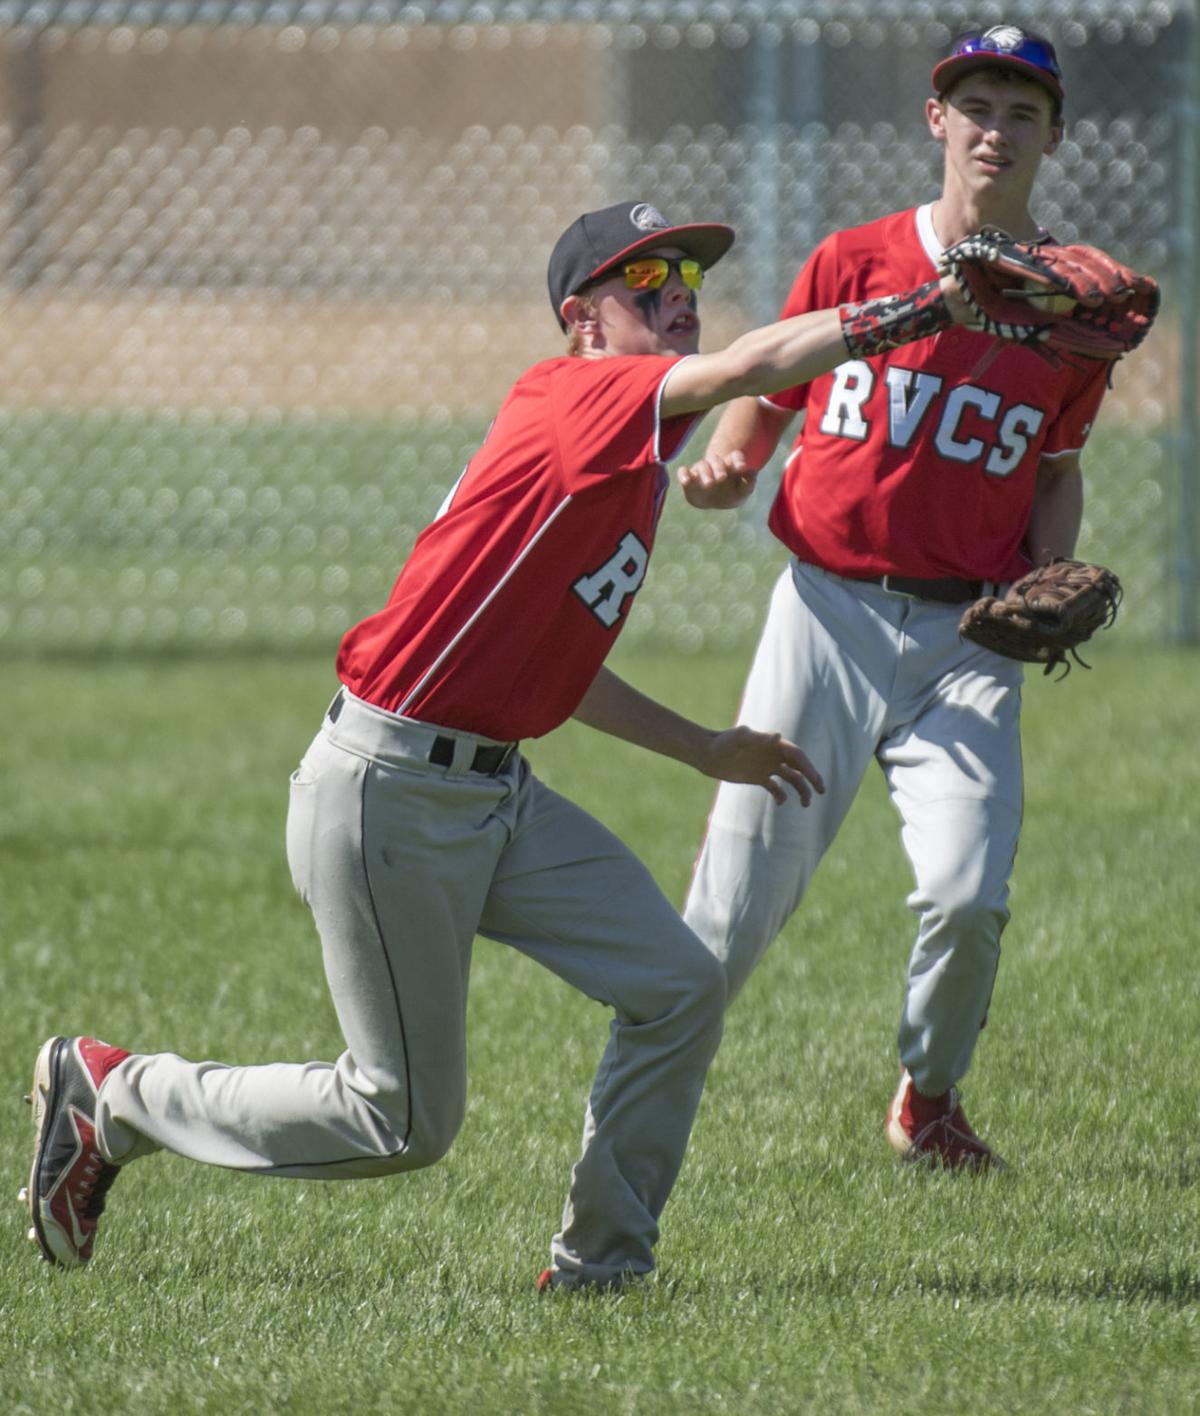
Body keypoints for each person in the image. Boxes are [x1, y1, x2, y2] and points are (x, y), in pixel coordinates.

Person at [24, 198, 986, 1293]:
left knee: (677, 986)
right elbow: (753, 367)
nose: (679, 295)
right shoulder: (575, 399)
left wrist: (703, 747)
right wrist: (923, 308)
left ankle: (601, 1268)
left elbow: (556, 672)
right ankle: (119, 1095)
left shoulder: (627, 466)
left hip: (496, 796)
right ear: (583, 320)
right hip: (387, 794)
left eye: (688, 278)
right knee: (400, 1121)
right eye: (649, 280)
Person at [678, 27, 1120, 1171]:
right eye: (976, 103)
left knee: (970, 897)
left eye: (1023, 112)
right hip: (824, 615)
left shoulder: (1076, 312)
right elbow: (771, 385)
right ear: (937, 121)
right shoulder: (856, 259)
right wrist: (733, 459)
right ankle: (649, 1080)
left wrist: (1041, 575)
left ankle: (927, 1099)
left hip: (967, 637)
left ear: (1054, 136)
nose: (995, 128)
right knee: (731, 912)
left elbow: (1055, 476)